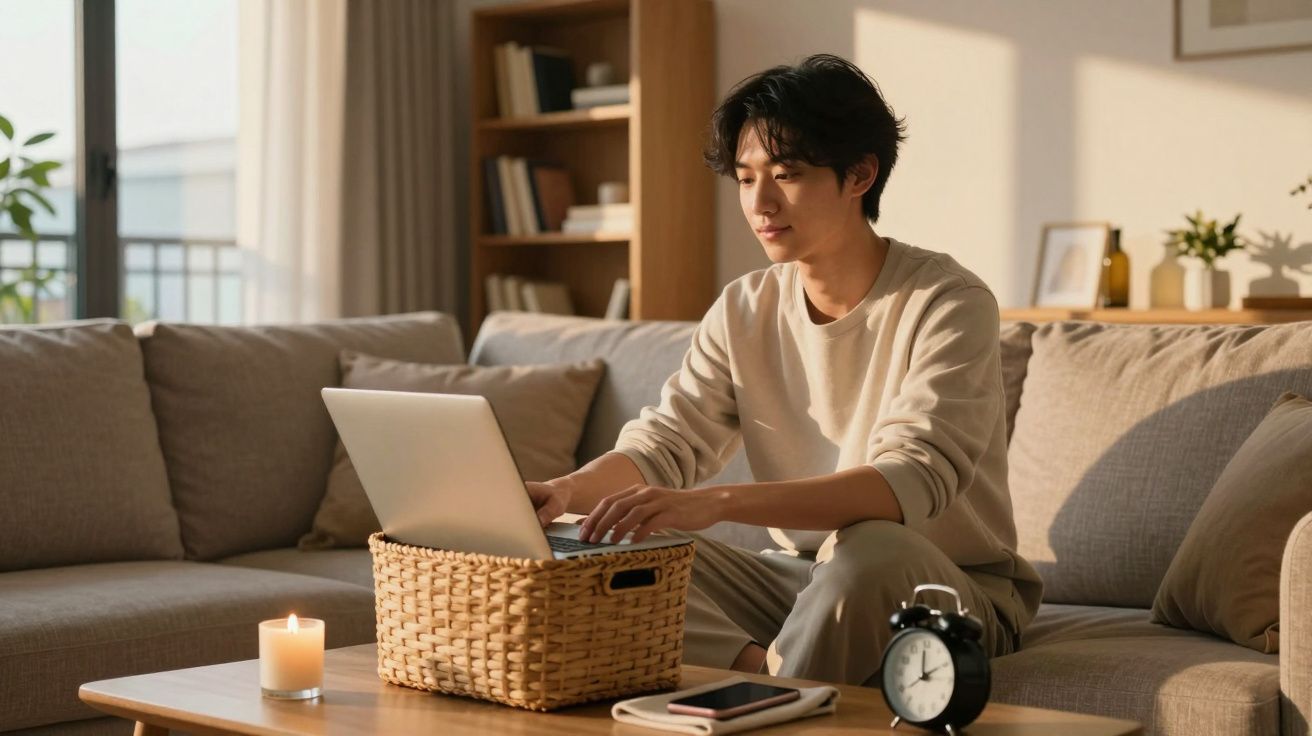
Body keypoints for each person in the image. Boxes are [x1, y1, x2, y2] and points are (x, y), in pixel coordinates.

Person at [526, 54, 1042, 686]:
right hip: (798, 581)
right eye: (744, 179)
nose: (761, 203)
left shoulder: (948, 302)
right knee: (593, 545)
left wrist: (714, 502)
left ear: (859, 174)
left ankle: (762, 690)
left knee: (873, 547)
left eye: (787, 174)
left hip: (945, 587)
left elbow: (906, 483)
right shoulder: (744, 306)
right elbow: (666, 445)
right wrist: (565, 492)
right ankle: (767, 683)